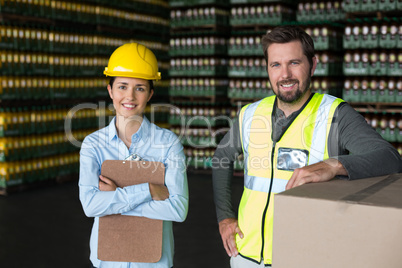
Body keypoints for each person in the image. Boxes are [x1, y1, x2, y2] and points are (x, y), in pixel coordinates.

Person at [212, 25, 402, 268]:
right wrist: (225, 217)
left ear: (312, 64)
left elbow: (390, 158)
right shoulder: (250, 115)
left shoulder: (335, 115)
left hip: (303, 254)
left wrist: (335, 165)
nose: (285, 74)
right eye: (276, 65)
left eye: (294, 62)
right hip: (245, 253)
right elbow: (221, 157)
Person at [79, 43, 189, 268]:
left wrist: (116, 197)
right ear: (110, 91)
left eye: (139, 88)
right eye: (122, 86)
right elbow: (90, 206)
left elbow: (178, 209)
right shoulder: (93, 145)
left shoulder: (167, 144)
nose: (129, 96)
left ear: (150, 94)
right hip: (107, 261)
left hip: (153, 263)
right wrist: (148, 191)